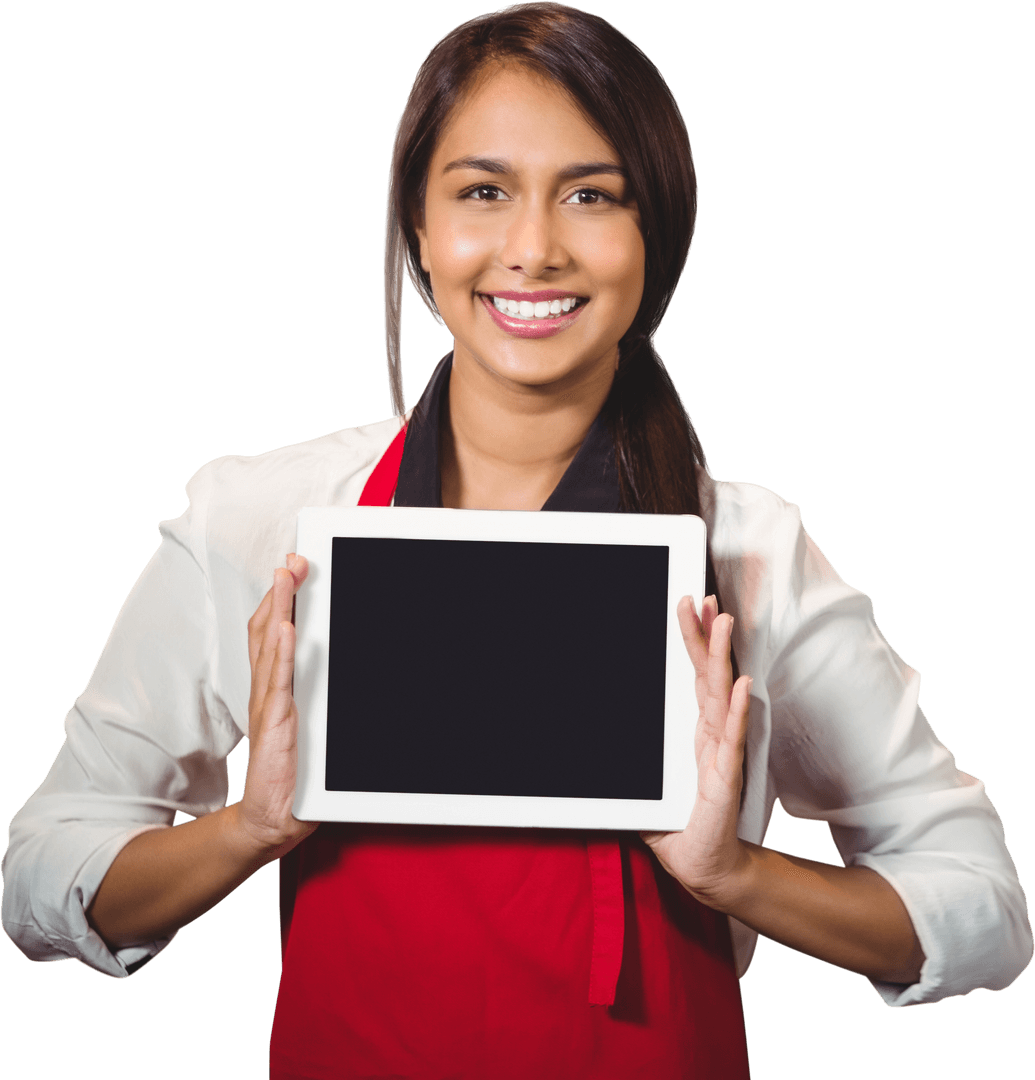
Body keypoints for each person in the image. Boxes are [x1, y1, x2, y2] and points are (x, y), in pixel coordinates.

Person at [2, 3, 1030, 1077]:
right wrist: (250, 829)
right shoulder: (264, 520)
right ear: (418, 230)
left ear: (656, 234)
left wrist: (736, 875)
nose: (532, 250)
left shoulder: (752, 553)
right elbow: (39, 876)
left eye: (592, 195)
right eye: (483, 192)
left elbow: (984, 907)